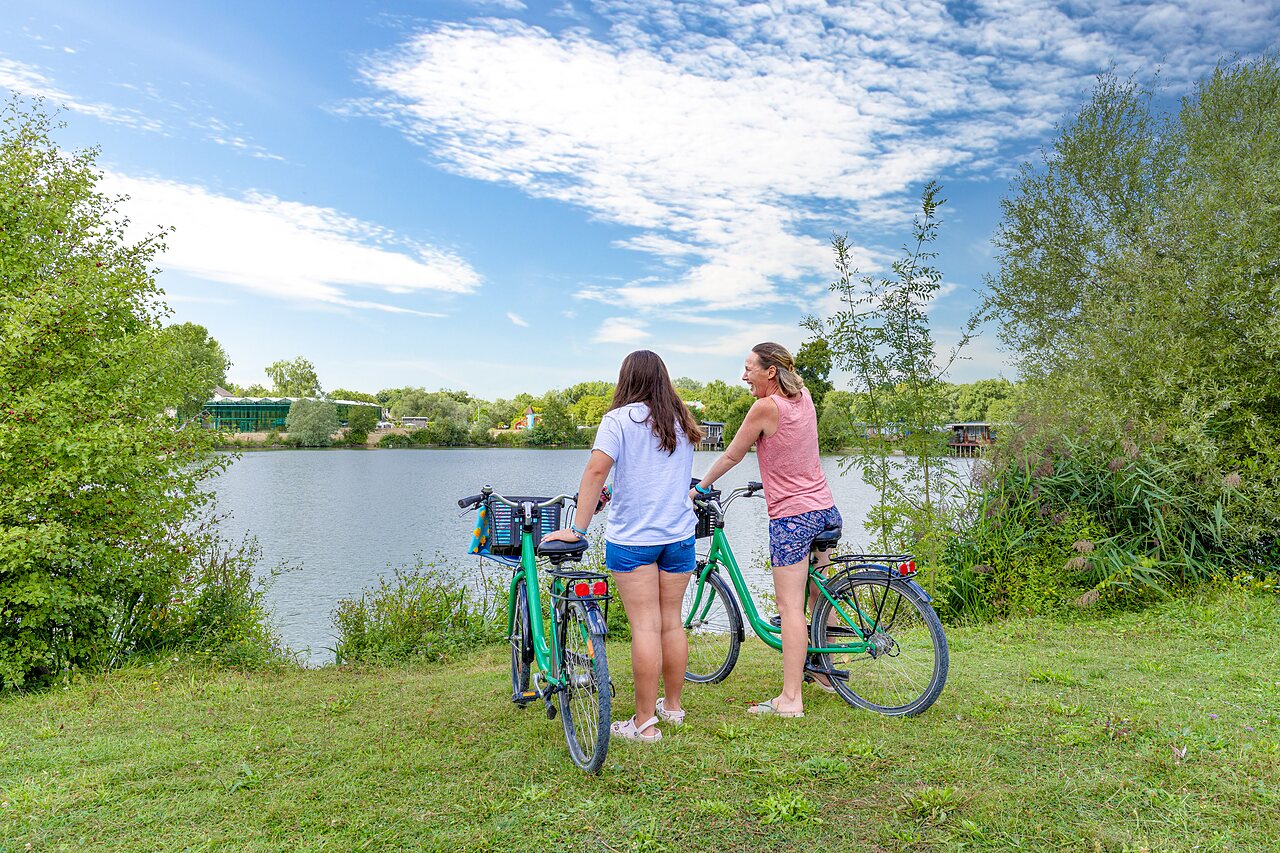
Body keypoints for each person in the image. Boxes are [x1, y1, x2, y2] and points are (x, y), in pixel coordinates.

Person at [543, 350, 703, 742]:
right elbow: (658, 477)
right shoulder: (682, 421)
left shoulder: (618, 420)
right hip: (679, 537)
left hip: (634, 541)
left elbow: (596, 469)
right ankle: (674, 706)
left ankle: (644, 723)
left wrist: (577, 529)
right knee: (671, 621)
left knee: (645, 626)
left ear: (626, 379)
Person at [691, 342, 841, 718]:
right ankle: (828, 674)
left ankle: (791, 699)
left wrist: (700, 488)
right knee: (817, 592)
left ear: (770, 371)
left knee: (789, 606)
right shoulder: (804, 397)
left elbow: (731, 454)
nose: (744, 376)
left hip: (793, 518)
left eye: (749, 369)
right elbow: (795, 451)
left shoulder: (765, 407)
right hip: (824, 508)